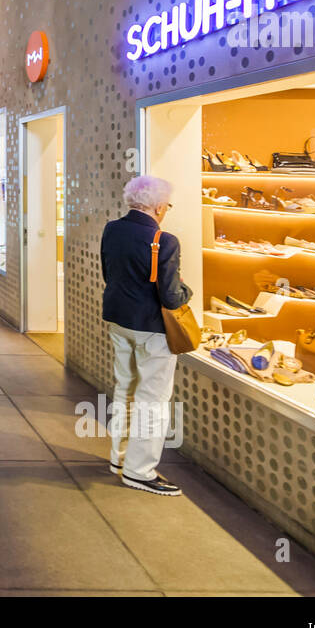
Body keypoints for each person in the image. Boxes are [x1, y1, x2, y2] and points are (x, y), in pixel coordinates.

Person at [99, 174, 192, 497]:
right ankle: (140, 471)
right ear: (158, 206)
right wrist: (186, 292)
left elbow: (108, 272)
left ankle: (119, 459)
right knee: (153, 399)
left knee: (125, 388)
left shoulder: (112, 229)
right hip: (152, 328)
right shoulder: (165, 241)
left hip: (118, 318)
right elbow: (170, 296)